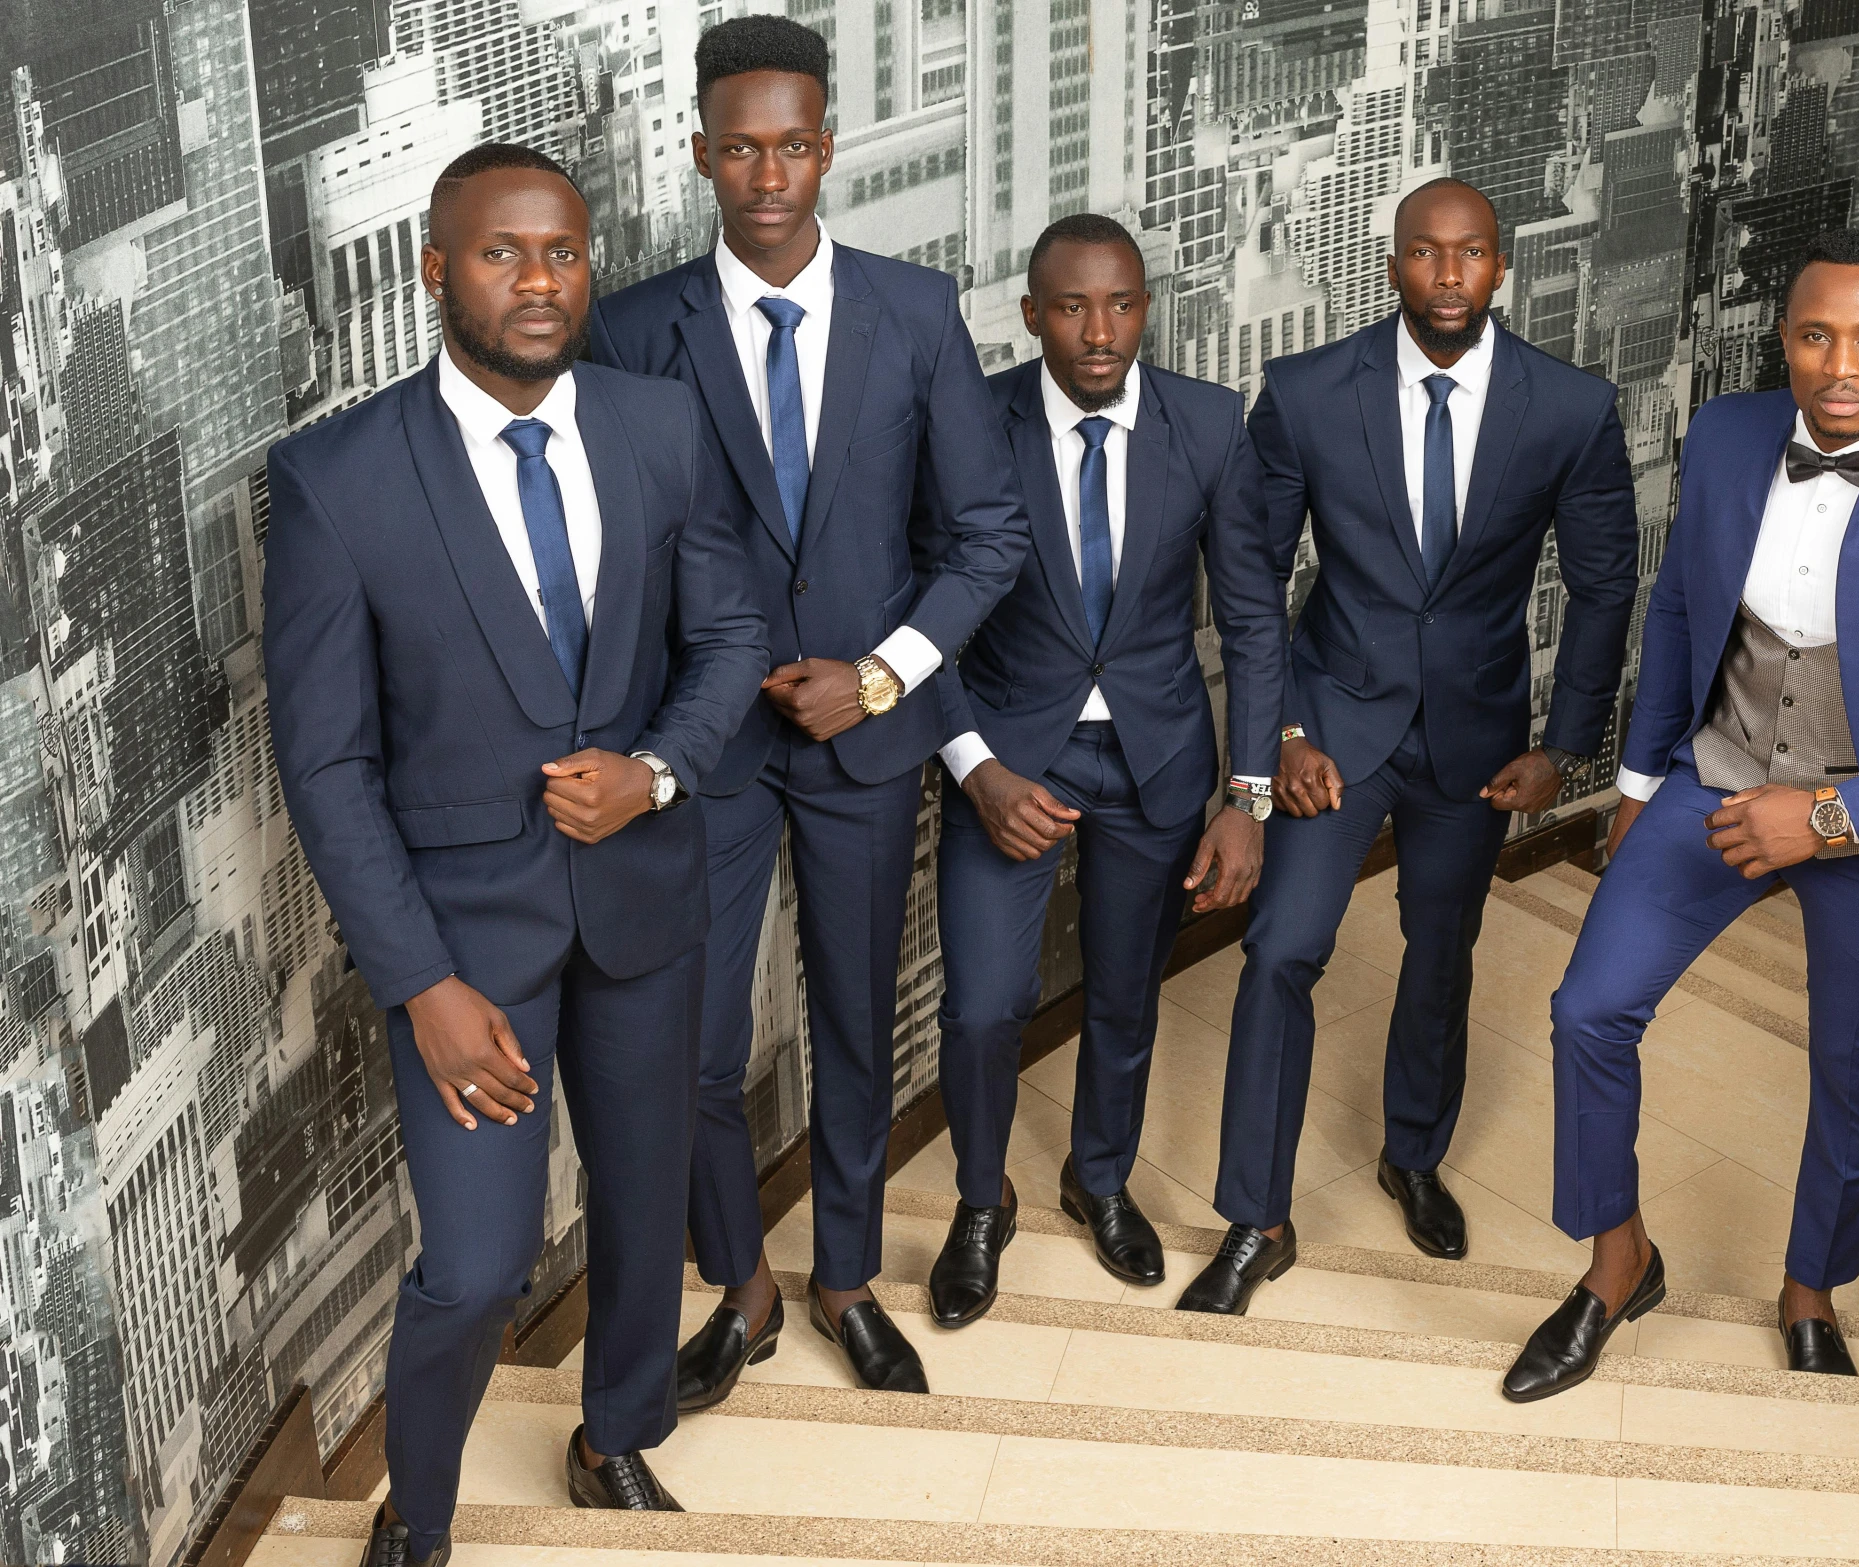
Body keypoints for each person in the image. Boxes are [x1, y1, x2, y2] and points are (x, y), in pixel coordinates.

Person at [264, 145, 768, 1564]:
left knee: (642, 1184)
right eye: (502, 253)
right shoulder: (335, 481)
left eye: (562, 250)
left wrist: (658, 768)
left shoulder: (661, 427)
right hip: (463, 946)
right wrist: (419, 979)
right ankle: (416, 1513)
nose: (539, 279)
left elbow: (730, 636)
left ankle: (615, 1429)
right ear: (437, 268)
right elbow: (328, 764)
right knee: (478, 1262)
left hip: (642, 904)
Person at [1503, 228, 1859, 1402]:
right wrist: (1644, 783)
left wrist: (1827, 818)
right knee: (1588, 1010)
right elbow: (1676, 611)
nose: (1839, 364)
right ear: (1786, 339)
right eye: (1816, 335)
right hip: (1710, 779)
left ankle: (1810, 1288)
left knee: (1853, 1067)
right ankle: (1619, 1261)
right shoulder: (1720, 435)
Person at [589, 15, 1026, 1401]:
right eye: (740, 148)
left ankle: (843, 1275)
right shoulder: (631, 330)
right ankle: (746, 1280)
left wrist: (882, 672)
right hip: (704, 753)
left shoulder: (913, 310)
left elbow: (988, 534)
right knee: (698, 1042)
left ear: (825, 147)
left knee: (851, 1021)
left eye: (792, 145)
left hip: (864, 742)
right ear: (702, 152)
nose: (767, 173)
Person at [1178, 178, 1640, 1315]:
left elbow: (1605, 583)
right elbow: (1250, 577)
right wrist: (1280, 730)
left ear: (1499, 268)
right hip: (1332, 723)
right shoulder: (1304, 392)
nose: (1446, 276)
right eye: (1424, 255)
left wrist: (1566, 747)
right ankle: (1257, 1217)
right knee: (1283, 946)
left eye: (1469, 255)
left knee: (1442, 952)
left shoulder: (1571, 407)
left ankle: (1412, 1154)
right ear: (1391, 267)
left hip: (1478, 738)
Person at [924, 215, 1287, 1323]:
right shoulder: (970, 423)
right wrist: (976, 767)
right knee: (986, 1004)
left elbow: (1255, 619)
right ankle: (981, 1202)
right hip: (1005, 759)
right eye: (1072, 307)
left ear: (1145, 307)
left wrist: (1248, 794)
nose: (1099, 331)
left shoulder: (1211, 424)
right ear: (1030, 314)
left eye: (1121, 304)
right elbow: (915, 618)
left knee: (1125, 998)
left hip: (1157, 758)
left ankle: (1098, 1180)